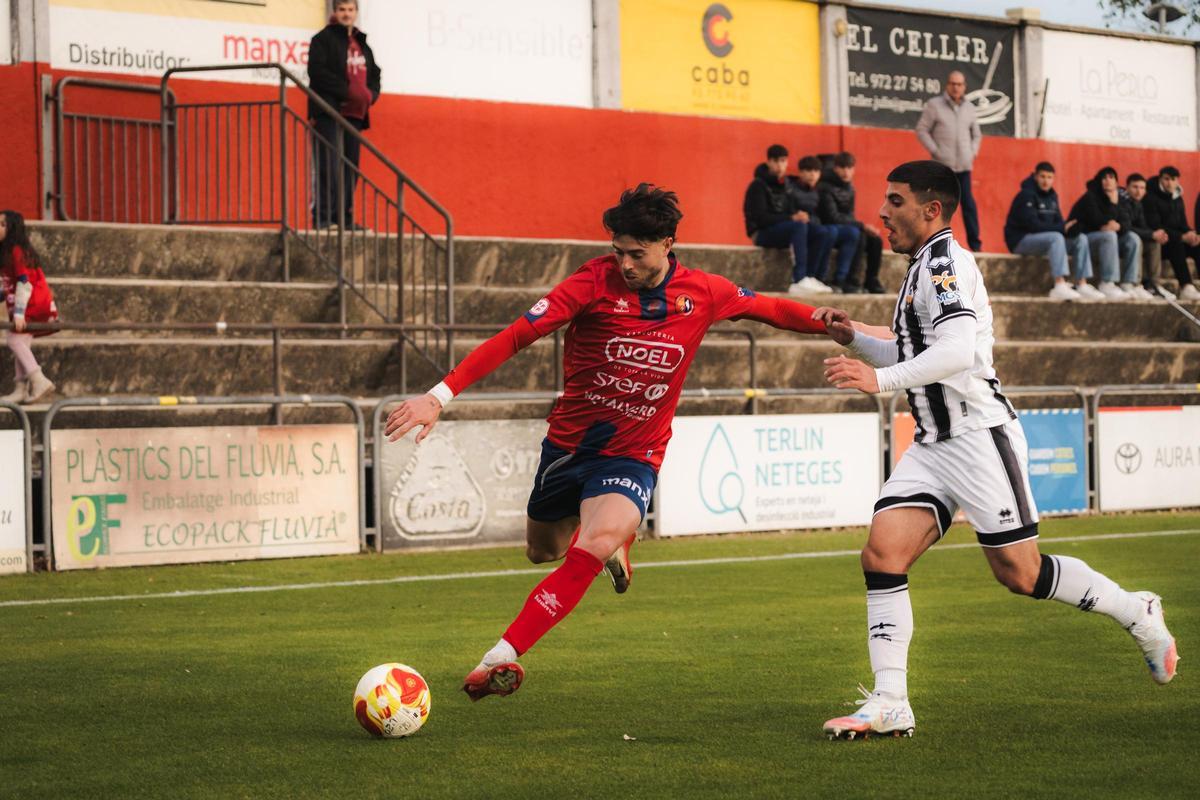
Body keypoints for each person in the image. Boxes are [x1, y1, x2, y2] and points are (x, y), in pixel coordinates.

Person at [385, 185, 832, 701]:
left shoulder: (703, 291)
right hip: (569, 448)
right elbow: (515, 336)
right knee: (542, 551)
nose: (625, 264)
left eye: (636, 254)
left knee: (591, 544)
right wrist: (439, 396)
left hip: (634, 453)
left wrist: (830, 324)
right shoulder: (591, 283)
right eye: (618, 251)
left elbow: (771, 309)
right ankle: (610, 542)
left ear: (667, 244)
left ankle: (499, 657)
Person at [812, 160, 1178, 740]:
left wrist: (877, 380)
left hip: (979, 438)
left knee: (1021, 573)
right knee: (882, 554)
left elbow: (957, 352)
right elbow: (917, 356)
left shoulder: (944, 266)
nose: (882, 212)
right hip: (934, 444)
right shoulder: (922, 266)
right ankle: (890, 701)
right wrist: (856, 339)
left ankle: (1138, 611)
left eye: (895, 201)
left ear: (931, 209)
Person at [307, 0, 382, 229]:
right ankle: (323, 218)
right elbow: (317, 72)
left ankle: (343, 218)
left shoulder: (362, 43)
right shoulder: (322, 40)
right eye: (342, 10)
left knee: (351, 169)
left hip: (355, 116)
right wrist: (348, 91)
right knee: (327, 165)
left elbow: (375, 74)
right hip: (329, 112)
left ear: (356, 12)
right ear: (335, 12)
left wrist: (370, 96)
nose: (346, 14)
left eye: (350, 10)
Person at [743, 144, 834, 294]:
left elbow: (790, 211)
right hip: (761, 233)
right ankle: (798, 280)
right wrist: (791, 217)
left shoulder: (786, 185)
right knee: (799, 227)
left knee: (822, 232)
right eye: (776, 161)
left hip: (783, 229)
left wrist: (800, 215)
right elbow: (761, 219)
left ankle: (810, 277)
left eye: (783, 161)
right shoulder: (757, 185)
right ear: (769, 162)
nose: (780, 165)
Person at [1002, 163, 1099, 301]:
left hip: (1045, 240)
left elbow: (1058, 222)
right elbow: (1033, 225)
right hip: (1020, 240)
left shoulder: (1053, 196)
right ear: (1035, 177)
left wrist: (1069, 228)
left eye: (1049, 177)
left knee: (1081, 238)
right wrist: (1062, 228)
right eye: (1042, 176)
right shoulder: (1026, 195)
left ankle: (1082, 284)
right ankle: (1059, 285)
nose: (1046, 181)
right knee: (1056, 237)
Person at [915, 71, 982, 251]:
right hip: (942, 168)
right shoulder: (934, 105)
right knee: (938, 206)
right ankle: (933, 243)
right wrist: (935, 151)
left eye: (959, 84)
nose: (956, 87)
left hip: (964, 167)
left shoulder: (969, 108)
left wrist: (972, 152)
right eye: (953, 83)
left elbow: (976, 134)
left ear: (964, 87)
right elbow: (921, 129)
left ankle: (976, 246)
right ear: (947, 85)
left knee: (968, 205)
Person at [1066, 166, 1152, 300]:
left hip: (1108, 239)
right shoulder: (1090, 196)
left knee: (1132, 238)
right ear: (1099, 181)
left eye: (1111, 178)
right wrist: (1112, 207)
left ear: (1116, 182)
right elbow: (1095, 220)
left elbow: (1126, 222)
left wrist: (1118, 225)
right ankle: (1107, 283)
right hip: (1086, 238)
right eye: (1104, 178)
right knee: (1109, 235)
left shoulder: (1119, 198)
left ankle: (1128, 283)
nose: (1108, 181)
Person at [1, 211, 58, 404]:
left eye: (2, 225)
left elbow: (24, 283)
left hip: (32, 304)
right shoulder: (6, 252)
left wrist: (19, 313)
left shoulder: (17, 251)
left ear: (12, 229)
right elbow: (7, 285)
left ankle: (38, 379)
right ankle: (21, 389)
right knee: (21, 343)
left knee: (14, 339)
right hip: (24, 304)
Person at [819, 152, 885, 294]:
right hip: (831, 230)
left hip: (847, 227)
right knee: (858, 235)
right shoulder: (825, 187)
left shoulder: (850, 188)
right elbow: (832, 217)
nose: (846, 172)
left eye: (849, 168)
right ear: (835, 168)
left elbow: (850, 215)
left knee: (876, 241)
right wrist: (861, 226)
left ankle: (871, 280)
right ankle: (850, 280)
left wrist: (860, 226)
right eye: (842, 168)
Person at [792, 156, 859, 295]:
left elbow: (818, 215)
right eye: (809, 171)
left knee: (854, 233)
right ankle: (810, 277)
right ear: (800, 172)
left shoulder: (817, 189)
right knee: (827, 231)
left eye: (816, 171)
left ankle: (840, 280)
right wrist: (797, 216)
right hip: (799, 227)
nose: (812, 174)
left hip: (817, 225)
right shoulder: (793, 189)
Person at [1143, 166, 1200, 301]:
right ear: (1160, 179)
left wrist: (1191, 233)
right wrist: (1181, 237)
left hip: (1176, 238)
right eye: (1166, 179)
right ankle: (1186, 286)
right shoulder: (1150, 197)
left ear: (1177, 181)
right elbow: (1155, 225)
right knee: (1177, 244)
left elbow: (1182, 223)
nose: (1170, 183)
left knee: (1197, 245)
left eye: (1173, 180)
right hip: (1160, 243)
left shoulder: (1177, 197)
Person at [1123, 173, 1172, 300]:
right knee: (1136, 239)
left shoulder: (1138, 204)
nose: (1139, 191)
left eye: (1142, 188)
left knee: (1154, 243)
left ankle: (1155, 284)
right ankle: (1136, 283)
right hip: (1122, 241)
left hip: (1133, 239)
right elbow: (1126, 227)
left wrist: (1156, 235)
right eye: (1135, 187)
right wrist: (1151, 234)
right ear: (1127, 188)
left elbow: (1143, 226)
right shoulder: (1122, 202)